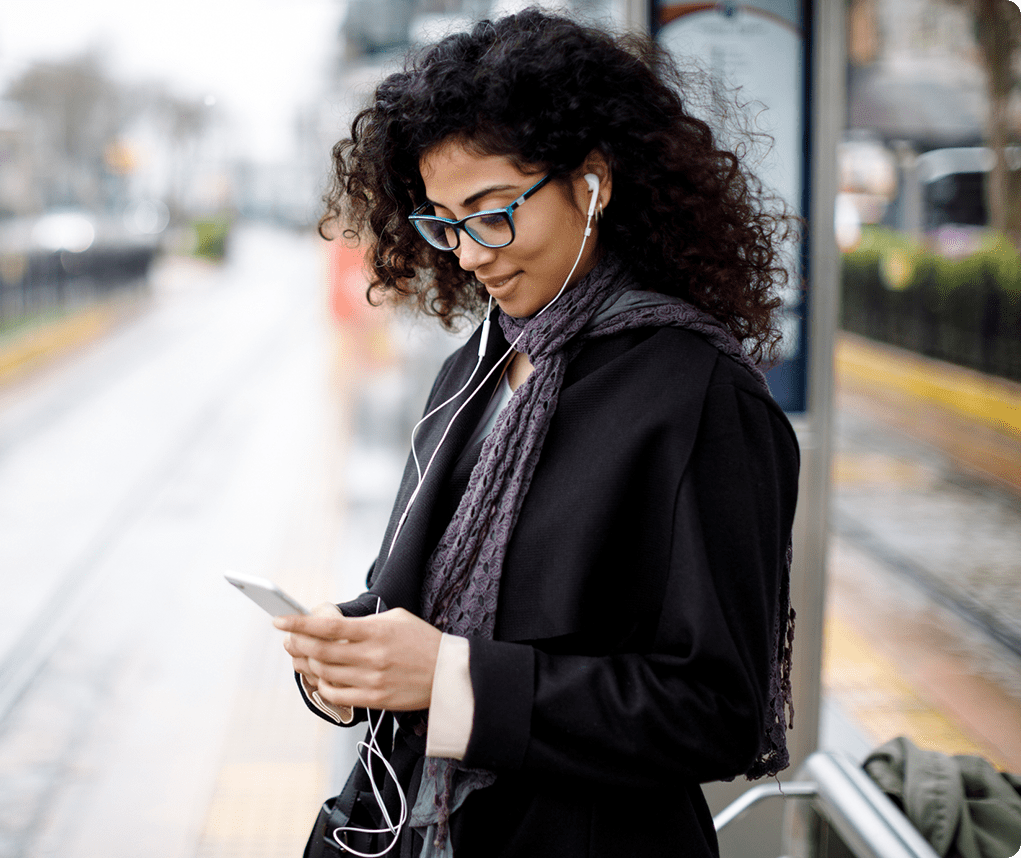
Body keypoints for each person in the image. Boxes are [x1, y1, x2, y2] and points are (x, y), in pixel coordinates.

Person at [274, 9, 801, 857]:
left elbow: (717, 711)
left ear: (591, 183)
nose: (470, 255)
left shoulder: (698, 395)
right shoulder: (472, 368)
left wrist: (453, 680)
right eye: (442, 223)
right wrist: (353, 648)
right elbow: (420, 598)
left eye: (492, 211)